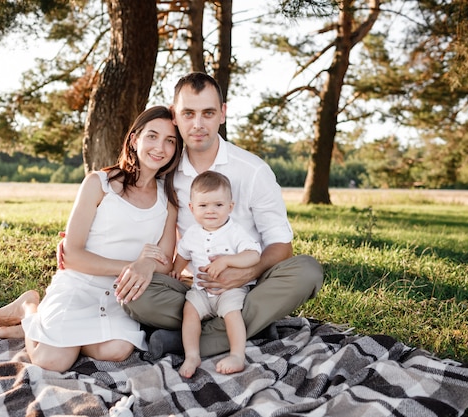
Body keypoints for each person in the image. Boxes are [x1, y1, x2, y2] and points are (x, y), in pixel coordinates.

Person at [122, 72, 324, 360]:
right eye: (188, 113)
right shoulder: (166, 170)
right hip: (192, 290)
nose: (198, 124)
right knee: (135, 294)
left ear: (223, 114)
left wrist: (247, 272)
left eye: (208, 113)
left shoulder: (253, 171)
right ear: (175, 116)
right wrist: (78, 239)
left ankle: (184, 342)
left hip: (251, 286)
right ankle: (250, 326)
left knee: (307, 271)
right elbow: (122, 196)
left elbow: (282, 245)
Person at [0, 106, 183, 372]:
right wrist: (131, 266)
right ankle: (29, 307)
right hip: (79, 284)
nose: (160, 147)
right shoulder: (99, 184)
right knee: (52, 361)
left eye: (170, 141)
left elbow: (164, 262)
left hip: (120, 294)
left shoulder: (167, 201)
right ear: (134, 139)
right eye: (152, 136)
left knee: (117, 350)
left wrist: (146, 266)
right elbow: (72, 255)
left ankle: (47, 332)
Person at [170, 171, 261, 378]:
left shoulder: (234, 232)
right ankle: (192, 355)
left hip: (229, 290)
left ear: (230, 207)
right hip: (201, 291)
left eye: (218, 205)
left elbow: (253, 255)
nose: (210, 211)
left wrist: (227, 261)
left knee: (232, 314)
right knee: (189, 312)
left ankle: (237, 355)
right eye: (203, 206)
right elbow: (182, 254)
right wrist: (175, 270)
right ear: (192, 208)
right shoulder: (192, 234)